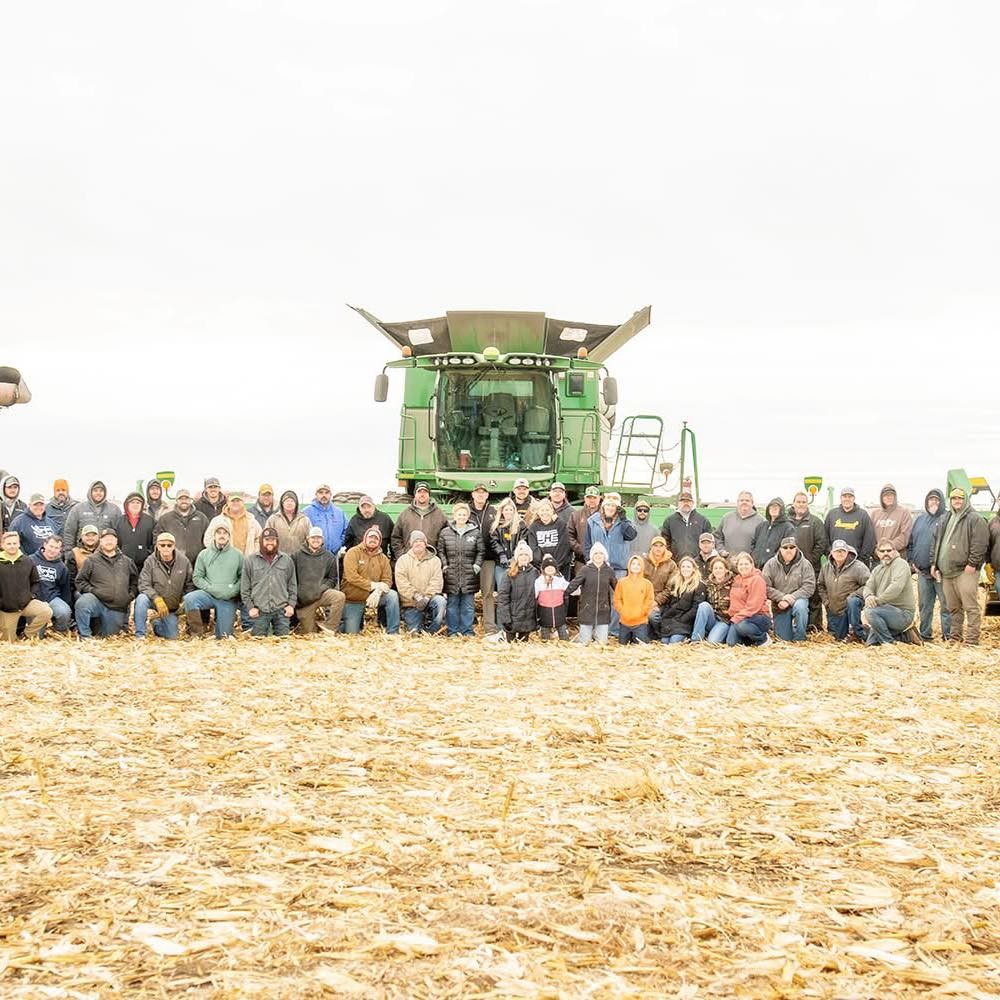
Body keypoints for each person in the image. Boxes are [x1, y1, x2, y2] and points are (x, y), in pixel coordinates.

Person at [930, 486, 989, 646]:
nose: (957, 501)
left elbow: (981, 543)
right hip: (947, 571)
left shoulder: (975, 518)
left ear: (966, 500)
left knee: (970, 607)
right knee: (953, 607)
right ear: (950, 500)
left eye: (960, 498)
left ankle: (971, 641)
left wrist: (972, 563)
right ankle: (955, 638)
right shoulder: (946, 518)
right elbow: (936, 542)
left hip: (965, 570)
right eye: (954, 498)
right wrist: (934, 563)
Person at [585, 496, 636, 638]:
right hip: (598, 567)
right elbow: (587, 543)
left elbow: (631, 535)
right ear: (603, 506)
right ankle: (596, 630)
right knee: (597, 598)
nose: (610, 508)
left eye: (613, 506)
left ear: (617, 508)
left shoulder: (624, 522)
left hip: (618, 567)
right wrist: (588, 561)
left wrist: (624, 518)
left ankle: (613, 630)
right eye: (608, 505)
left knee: (616, 600)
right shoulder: (592, 521)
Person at [74, 527, 138, 639]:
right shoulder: (91, 560)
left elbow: (135, 582)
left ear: (116, 541)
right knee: (83, 603)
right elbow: (80, 581)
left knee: (109, 636)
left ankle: (103, 627)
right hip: (97, 601)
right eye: (105, 539)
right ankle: (85, 636)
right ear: (101, 541)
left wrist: (130, 595)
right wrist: (93, 591)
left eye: (112, 539)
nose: (109, 541)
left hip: (117, 607)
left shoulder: (127, 561)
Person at [183, 524, 243, 638]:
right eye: (219, 533)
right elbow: (197, 577)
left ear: (229, 536)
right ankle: (196, 634)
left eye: (225, 533)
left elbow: (243, 577)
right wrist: (210, 588)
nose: (222, 536)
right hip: (209, 594)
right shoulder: (204, 554)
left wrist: (233, 591)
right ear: (214, 536)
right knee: (190, 598)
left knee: (224, 636)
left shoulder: (238, 555)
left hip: (227, 598)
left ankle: (222, 630)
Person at [908, 489, 951, 641]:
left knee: (946, 605)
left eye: (937, 500)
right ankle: (925, 634)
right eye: (931, 500)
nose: (934, 502)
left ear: (942, 502)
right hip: (923, 572)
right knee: (925, 605)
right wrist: (912, 560)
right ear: (927, 502)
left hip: (941, 572)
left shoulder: (948, 518)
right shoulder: (920, 519)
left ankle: (948, 636)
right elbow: (911, 542)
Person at [438, 501, 485, 637]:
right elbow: (441, 551)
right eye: (459, 514)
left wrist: (476, 566)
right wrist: (445, 565)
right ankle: (452, 631)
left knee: (468, 606)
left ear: (468, 516)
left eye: (464, 514)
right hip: (451, 574)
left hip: (469, 574)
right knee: (452, 605)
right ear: (454, 515)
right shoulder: (445, 532)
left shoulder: (475, 532)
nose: (462, 516)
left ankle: (467, 631)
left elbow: (481, 551)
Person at [341, 526, 400, 635]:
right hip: (354, 598)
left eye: (376, 538)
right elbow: (351, 576)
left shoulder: (383, 558)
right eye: (370, 537)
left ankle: (393, 632)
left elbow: (387, 580)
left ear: (380, 541)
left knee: (392, 595)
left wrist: (378, 592)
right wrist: (373, 585)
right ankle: (350, 622)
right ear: (365, 538)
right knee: (351, 632)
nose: (373, 540)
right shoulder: (353, 553)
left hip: (374, 597)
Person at [134, 532, 193, 640]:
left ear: (174, 546)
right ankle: (140, 635)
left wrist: (184, 600)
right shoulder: (150, 561)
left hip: (171, 606)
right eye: (162, 545)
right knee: (141, 599)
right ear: (157, 546)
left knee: (172, 636)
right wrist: (156, 598)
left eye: (169, 545)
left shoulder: (184, 561)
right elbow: (144, 583)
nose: (166, 548)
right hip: (154, 600)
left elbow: (189, 584)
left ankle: (156, 624)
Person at [241, 527, 297, 637]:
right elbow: (244, 588)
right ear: (262, 541)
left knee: (283, 642)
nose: (270, 543)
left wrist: (291, 605)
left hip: (281, 610)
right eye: (267, 540)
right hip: (259, 610)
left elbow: (292, 585)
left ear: (277, 542)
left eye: (273, 540)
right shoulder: (250, 560)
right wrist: (251, 607)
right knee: (259, 643)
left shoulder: (286, 560)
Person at [762, 536, 816, 642]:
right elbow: (765, 587)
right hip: (780, 605)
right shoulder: (770, 564)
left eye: (792, 547)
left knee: (801, 607)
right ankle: (790, 630)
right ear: (780, 549)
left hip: (798, 599)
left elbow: (809, 586)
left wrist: (790, 598)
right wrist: (782, 597)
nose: (788, 550)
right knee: (784, 639)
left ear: (796, 549)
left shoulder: (805, 564)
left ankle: (800, 637)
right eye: (785, 548)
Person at [0, 531, 52, 641]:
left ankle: (26, 635)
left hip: (26, 603)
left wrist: (31, 596)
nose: (12, 546)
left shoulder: (28, 561)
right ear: (2, 545)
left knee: (46, 611)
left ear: (19, 544)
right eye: (9, 544)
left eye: (15, 543)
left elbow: (36, 581)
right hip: (7, 609)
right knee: (8, 642)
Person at [863, 541, 918, 645]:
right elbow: (868, 586)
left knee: (870, 611)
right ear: (877, 553)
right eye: (882, 551)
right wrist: (868, 596)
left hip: (902, 614)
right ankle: (905, 636)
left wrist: (877, 601)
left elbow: (895, 588)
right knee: (870, 644)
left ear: (895, 551)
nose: (886, 553)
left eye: (889, 550)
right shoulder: (877, 569)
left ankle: (888, 643)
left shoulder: (901, 564)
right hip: (884, 611)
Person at [292, 526, 345, 634]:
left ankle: (330, 627)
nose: (316, 540)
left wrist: (321, 589)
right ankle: (314, 625)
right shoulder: (297, 556)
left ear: (322, 540)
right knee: (309, 632)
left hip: (321, 594)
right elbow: (291, 579)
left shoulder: (329, 557)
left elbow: (332, 579)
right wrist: (299, 596)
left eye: (319, 538)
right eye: (313, 537)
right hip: (304, 600)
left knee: (339, 596)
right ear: (307, 539)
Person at [787, 492, 828, 630]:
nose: (801, 504)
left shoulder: (815, 521)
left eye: (804, 502)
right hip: (790, 568)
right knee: (794, 597)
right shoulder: (787, 522)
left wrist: (810, 561)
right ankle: (796, 627)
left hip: (812, 567)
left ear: (807, 504)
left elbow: (821, 543)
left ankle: (814, 628)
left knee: (814, 598)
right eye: (798, 502)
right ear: (793, 503)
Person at [395, 530, 446, 635]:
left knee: (441, 602)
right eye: (415, 541)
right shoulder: (403, 560)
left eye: (421, 541)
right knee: (415, 632)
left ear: (425, 543)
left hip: (430, 600)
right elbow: (402, 583)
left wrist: (427, 597)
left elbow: (437, 581)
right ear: (411, 544)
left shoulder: (435, 560)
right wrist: (416, 596)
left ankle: (432, 631)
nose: (418, 543)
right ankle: (418, 623)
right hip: (411, 603)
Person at [818, 540, 870, 642]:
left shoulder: (858, 567)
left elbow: (869, 585)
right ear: (832, 553)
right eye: (837, 551)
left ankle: (859, 631)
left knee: (853, 602)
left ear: (847, 552)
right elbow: (820, 585)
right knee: (837, 638)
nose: (840, 553)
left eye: (842, 551)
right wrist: (826, 601)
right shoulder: (826, 567)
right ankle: (863, 629)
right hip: (834, 610)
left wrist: (853, 595)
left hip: (849, 608)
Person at [566, 542, 616, 646]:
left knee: (602, 644)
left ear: (604, 556)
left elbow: (617, 587)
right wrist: (563, 594)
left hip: (603, 611)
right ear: (592, 556)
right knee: (585, 643)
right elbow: (574, 584)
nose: (598, 556)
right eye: (595, 553)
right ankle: (580, 638)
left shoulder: (609, 571)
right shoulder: (585, 570)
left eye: (601, 553)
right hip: (587, 610)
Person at [468, 484, 498, 635]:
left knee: (487, 593)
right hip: (469, 558)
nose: (480, 495)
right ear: (473, 494)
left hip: (488, 559)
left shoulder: (494, 511)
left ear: (487, 495)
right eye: (477, 492)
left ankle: (490, 626)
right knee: (467, 592)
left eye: (483, 493)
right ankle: (468, 625)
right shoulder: (466, 511)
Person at [657, 555, 706, 644]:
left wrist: (683, 619)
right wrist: (667, 615)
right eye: (683, 566)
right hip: (673, 618)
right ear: (679, 569)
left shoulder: (699, 585)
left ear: (693, 569)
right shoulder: (675, 583)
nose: (685, 569)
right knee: (664, 642)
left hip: (686, 620)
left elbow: (696, 608)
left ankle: (687, 637)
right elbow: (669, 603)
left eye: (688, 567)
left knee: (674, 641)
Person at [390, 482, 447, 560]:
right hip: (410, 560)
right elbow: (396, 538)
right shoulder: (404, 514)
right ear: (415, 494)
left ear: (429, 495)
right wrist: (402, 555)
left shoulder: (440, 515)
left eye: (425, 492)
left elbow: (446, 538)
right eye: (419, 492)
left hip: (431, 560)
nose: (422, 494)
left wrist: (439, 558)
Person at [726, 552, 773, 646]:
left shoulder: (757, 580)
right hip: (741, 617)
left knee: (742, 626)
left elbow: (753, 607)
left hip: (758, 617)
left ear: (752, 565)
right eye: (741, 564)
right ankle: (751, 640)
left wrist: (737, 618)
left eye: (746, 564)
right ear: (737, 566)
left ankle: (763, 639)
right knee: (731, 643)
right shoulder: (736, 579)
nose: (743, 567)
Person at [497, 540, 539, 642]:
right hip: (512, 618)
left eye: (526, 554)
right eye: (521, 555)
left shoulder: (535, 572)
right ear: (517, 557)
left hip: (528, 619)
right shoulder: (509, 574)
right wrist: (506, 619)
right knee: (511, 648)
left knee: (523, 645)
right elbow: (503, 598)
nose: (523, 557)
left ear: (530, 557)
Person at [30, 535, 72, 635]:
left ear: (60, 550)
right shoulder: (31, 560)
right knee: (37, 636)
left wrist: (66, 603)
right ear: (44, 545)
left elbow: (65, 588)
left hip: (51, 597)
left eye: (56, 548)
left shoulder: (61, 567)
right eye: (51, 546)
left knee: (64, 612)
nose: (52, 550)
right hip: (34, 599)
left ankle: (58, 632)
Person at [62, 480, 121, 551]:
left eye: (101, 491)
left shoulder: (114, 510)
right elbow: (69, 533)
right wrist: (68, 552)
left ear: (105, 493)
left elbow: (119, 534)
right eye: (95, 490)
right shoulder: (78, 509)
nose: (98, 493)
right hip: (83, 553)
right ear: (90, 492)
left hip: (105, 554)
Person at [155, 489, 208, 565]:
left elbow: (208, 539)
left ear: (190, 500)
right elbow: (157, 538)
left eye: (186, 498)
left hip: (197, 562)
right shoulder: (166, 519)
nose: (184, 501)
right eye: (181, 499)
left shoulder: (201, 518)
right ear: (176, 501)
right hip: (173, 563)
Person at [825, 487, 875, 566]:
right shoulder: (832, 514)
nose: (847, 499)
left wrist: (861, 559)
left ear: (854, 498)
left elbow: (869, 539)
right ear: (840, 498)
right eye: (844, 496)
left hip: (856, 562)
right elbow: (825, 537)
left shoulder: (863, 515)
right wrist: (831, 554)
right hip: (836, 561)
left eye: (850, 496)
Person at [613, 554, 655, 644]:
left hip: (640, 623)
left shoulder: (647, 584)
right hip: (624, 622)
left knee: (640, 648)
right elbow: (617, 600)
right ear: (629, 565)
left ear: (642, 567)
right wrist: (623, 611)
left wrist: (642, 612)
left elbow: (649, 601)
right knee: (623, 647)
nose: (635, 566)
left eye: (638, 564)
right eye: (633, 564)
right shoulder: (622, 582)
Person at [692, 555, 734, 644]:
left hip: (724, 620)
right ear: (712, 570)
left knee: (712, 642)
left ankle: (719, 633)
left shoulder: (733, 584)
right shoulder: (707, 584)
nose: (718, 570)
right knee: (703, 605)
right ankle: (696, 639)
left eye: (720, 568)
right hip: (711, 617)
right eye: (715, 568)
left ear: (726, 570)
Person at [526, 498, 572, 578]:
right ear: (538, 512)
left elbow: (564, 546)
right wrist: (544, 563)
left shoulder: (561, 524)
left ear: (552, 511)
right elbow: (533, 547)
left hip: (560, 567)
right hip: (540, 568)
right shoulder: (533, 527)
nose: (545, 513)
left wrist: (554, 564)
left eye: (547, 510)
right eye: (542, 510)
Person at [660, 490, 712, 561]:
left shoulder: (703, 520)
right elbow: (665, 541)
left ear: (693, 503)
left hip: (697, 563)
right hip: (676, 563)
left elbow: (709, 542)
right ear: (678, 503)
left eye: (688, 501)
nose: (686, 503)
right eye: (683, 501)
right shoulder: (669, 520)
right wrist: (671, 557)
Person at [490, 498, 529, 589]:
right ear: (502, 511)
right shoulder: (496, 526)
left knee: (517, 590)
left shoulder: (521, 525)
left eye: (511, 509)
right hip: (501, 564)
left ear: (514, 511)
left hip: (516, 563)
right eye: (506, 509)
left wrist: (515, 557)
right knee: (502, 589)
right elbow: (493, 542)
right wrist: (501, 554)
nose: (508, 512)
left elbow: (523, 541)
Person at [643, 535, 677, 637]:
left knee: (652, 616)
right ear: (651, 547)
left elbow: (670, 588)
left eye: (661, 546)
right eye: (655, 545)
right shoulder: (644, 561)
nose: (658, 548)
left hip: (662, 602)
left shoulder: (671, 565)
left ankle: (660, 632)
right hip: (644, 599)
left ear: (665, 548)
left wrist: (656, 602)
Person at [715, 492, 763, 561]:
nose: (744, 502)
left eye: (747, 500)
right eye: (741, 500)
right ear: (737, 503)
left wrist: (752, 557)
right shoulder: (727, 518)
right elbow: (717, 537)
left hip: (748, 565)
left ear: (752, 503)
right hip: (728, 564)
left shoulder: (760, 521)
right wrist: (721, 550)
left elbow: (762, 544)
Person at [871, 484, 913, 557]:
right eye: (885, 495)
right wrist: (877, 551)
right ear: (881, 498)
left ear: (895, 497)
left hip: (897, 557)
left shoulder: (904, 512)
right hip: (878, 557)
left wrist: (888, 549)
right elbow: (870, 536)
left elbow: (904, 536)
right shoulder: (874, 514)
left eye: (891, 495)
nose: (888, 497)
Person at [751, 498, 794, 569]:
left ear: (782, 510)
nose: (774, 509)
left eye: (777, 507)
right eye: (772, 506)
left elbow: (788, 550)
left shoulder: (788, 528)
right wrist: (754, 556)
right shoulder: (761, 526)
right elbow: (753, 544)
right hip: (756, 568)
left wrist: (774, 562)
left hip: (775, 569)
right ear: (768, 509)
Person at [534, 554, 570, 640]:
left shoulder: (560, 580)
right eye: (547, 567)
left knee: (563, 635)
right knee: (545, 636)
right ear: (543, 569)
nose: (550, 568)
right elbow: (534, 595)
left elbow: (570, 588)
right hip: (545, 614)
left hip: (559, 613)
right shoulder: (539, 581)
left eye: (552, 567)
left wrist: (582, 588)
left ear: (556, 569)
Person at [569, 486, 602, 576]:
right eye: (589, 497)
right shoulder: (576, 515)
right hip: (581, 560)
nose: (591, 500)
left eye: (594, 498)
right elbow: (569, 535)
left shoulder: (605, 515)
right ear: (585, 498)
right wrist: (580, 549)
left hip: (601, 560)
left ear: (599, 498)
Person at [118, 491, 155, 572]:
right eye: (132, 502)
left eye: (138, 502)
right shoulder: (119, 521)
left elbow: (153, 541)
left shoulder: (149, 521)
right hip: (123, 565)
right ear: (127, 504)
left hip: (144, 565)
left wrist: (147, 553)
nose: (135, 504)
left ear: (142, 505)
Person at [265, 490, 311, 555]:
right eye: (286, 501)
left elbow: (310, 540)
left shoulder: (305, 520)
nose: (289, 503)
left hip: (300, 559)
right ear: (282, 503)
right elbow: (266, 539)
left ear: (296, 503)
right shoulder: (273, 519)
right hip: (278, 559)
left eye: (292, 501)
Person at [67, 524, 100, 597]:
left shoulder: (104, 551)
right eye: (87, 535)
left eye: (93, 535)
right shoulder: (74, 553)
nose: (90, 538)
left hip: (102, 588)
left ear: (98, 537)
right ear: (81, 537)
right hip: (82, 590)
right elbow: (71, 579)